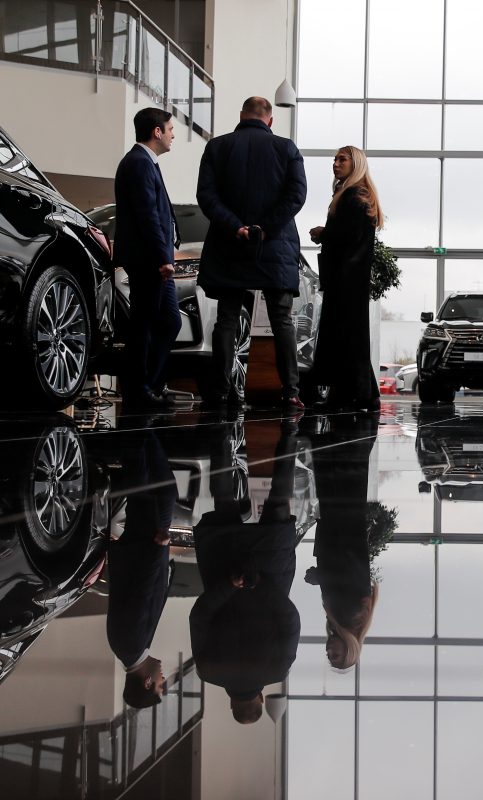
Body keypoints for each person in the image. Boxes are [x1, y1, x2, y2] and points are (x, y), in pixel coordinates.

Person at [196, 96, 307, 412]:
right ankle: (290, 393)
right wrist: (264, 228)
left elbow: (206, 195)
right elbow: (296, 196)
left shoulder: (217, 147)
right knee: (282, 321)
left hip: (229, 244)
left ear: (242, 115)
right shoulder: (287, 149)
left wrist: (237, 227)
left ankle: (219, 391)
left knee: (227, 319)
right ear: (270, 120)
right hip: (275, 245)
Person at [190, 420, 302, 724]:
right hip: (222, 566)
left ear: (261, 700)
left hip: (271, 569)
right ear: (231, 705)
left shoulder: (277, 670)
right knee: (223, 498)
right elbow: (200, 616)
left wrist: (260, 585)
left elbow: (290, 620)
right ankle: (221, 433)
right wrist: (231, 585)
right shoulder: (208, 671)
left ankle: (289, 432)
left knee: (278, 497)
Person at [113, 107, 182, 410]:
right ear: (157, 132)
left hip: (156, 258)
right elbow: (147, 216)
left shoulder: (146, 162)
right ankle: (138, 390)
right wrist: (161, 256)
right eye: (170, 129)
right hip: (148, 260)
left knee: (168, 321)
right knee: (145, 324)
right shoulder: (139, 163)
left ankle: (150, 385)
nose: (173, 134)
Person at [105, 430, 177, 708]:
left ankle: (139, 426)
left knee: (145, 489)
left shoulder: (131, 644)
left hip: (144, 547)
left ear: (147, 683)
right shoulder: (127, 647)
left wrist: (157, 550)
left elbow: (141, 593)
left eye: (161, 683)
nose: (163, 677)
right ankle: (142, 429)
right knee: (160, 492)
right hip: (142, 548)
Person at [309, 146, 383, 412]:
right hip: (351, 278)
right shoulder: (358, 195)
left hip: (345, 278)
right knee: (351, 336)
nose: (336, 164)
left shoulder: (353, 195)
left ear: (356, 164)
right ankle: (362, 394)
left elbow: (348, 237)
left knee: (343, 336)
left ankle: (348, 396)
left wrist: (322, 233)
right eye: (334, 159)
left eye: (342, 159)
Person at [305, 414, 380, 669]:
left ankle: (351, 428)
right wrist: (320, 576)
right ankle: (346, 426)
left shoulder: (347, 619)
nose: (328, 652)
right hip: (341, 531)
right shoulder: (351, 616)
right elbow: (348, 573)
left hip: (343, 530)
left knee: (345, 474)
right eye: (335, 655)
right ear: (349, 650)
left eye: (329, 657)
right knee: (338, 474)